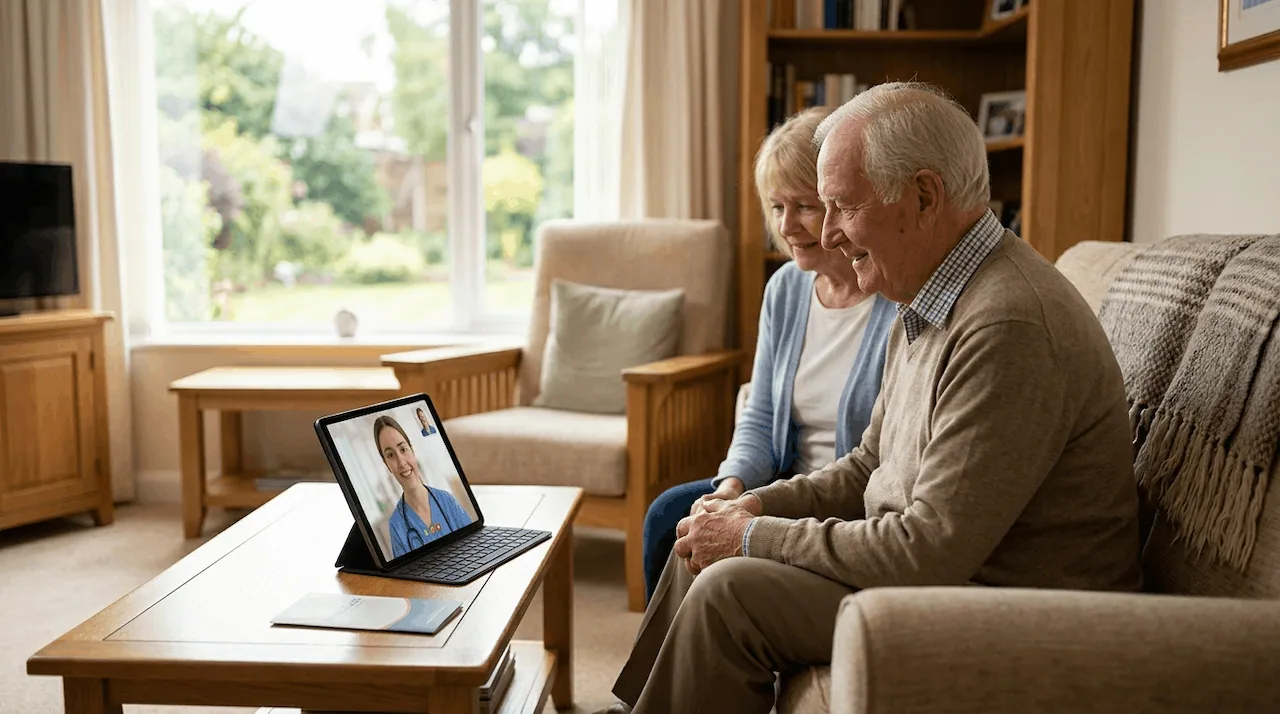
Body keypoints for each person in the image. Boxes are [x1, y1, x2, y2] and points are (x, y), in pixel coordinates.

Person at [604, 82, 1142, 714]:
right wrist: (749, 504)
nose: (827, 234)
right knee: (699, 531)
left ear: (922, 196)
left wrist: (754, 535)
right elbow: (866, 464)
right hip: (945, 575)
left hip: (1009, 606)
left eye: (841, 207)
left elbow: (929, 551)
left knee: (731, 590)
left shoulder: (1007, 326)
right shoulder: (925, 296)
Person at [639, 106, 897, 602]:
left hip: (845, 504)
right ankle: (673, 668)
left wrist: (756, 506)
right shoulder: (785, 288)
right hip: (777, 485)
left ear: (841, 205)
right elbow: (759, 413)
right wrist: (733, 485)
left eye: (804, 206)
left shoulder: (893, 296)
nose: (787, 225)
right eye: (776, 207)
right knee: (670, 515)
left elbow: (878, 457)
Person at [374, 415, 469, 558]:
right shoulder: (396, 526)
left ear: (412, 451)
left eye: (403, 449)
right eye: (391, 455)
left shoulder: (447, 501)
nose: (401, 462)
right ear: (387, 465)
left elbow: (472, 543)